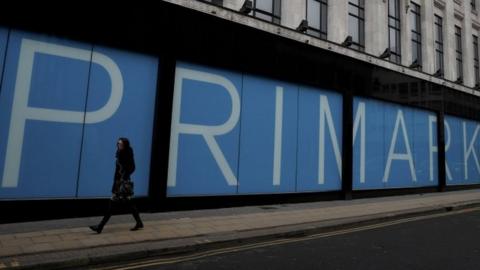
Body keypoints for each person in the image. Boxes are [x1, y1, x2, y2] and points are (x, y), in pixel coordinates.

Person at [89, 138, 144, 234]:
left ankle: (100, 227)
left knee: (112, 204)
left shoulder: (126, 153)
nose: (119, 145)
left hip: (122, 183)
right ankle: (139, 223)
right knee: (130, 204)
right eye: (118, 143)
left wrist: (124, 176)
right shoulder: (119, 152)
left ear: (125, 145)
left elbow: (132, 167)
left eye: (121, 144)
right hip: (119, 182)